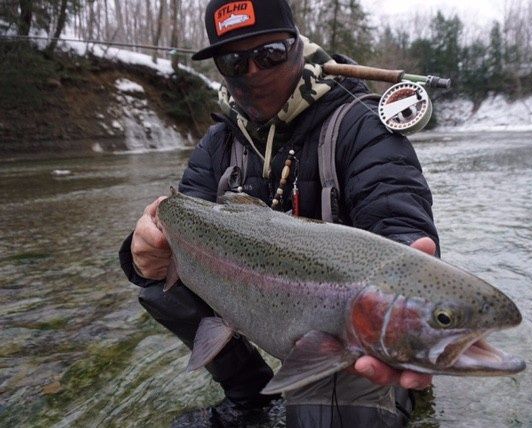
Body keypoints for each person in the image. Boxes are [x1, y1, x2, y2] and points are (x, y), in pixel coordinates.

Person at [119, 0, 440, 426]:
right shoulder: (218, 144)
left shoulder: (362, 128)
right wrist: (140, 255)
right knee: (160, 286)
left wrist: (404, 305)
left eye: (269, 53)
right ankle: (251, 396)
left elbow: (397, 221)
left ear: (296, 46)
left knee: (327, 409)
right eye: (233, 61)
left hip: (345, 331)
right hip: (262, 306)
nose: (252, 72)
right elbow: (172, 222)